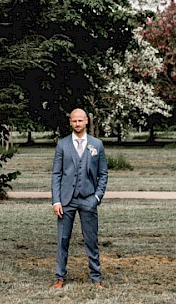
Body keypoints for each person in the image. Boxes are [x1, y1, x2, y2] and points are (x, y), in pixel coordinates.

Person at [51, 108, 108, 288]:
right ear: (70, 122)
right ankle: (60, 277)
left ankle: (96, 278)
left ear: (86, 122)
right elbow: (56, 174)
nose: (77, 124)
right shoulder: (62, 145)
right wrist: (56, 200)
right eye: (74, 121)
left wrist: (97, 197)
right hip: (66, 201)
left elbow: (103, 174)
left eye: (80, 121)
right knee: (63, 240)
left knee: (91, 240)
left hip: (88, 199)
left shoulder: (97, 145)